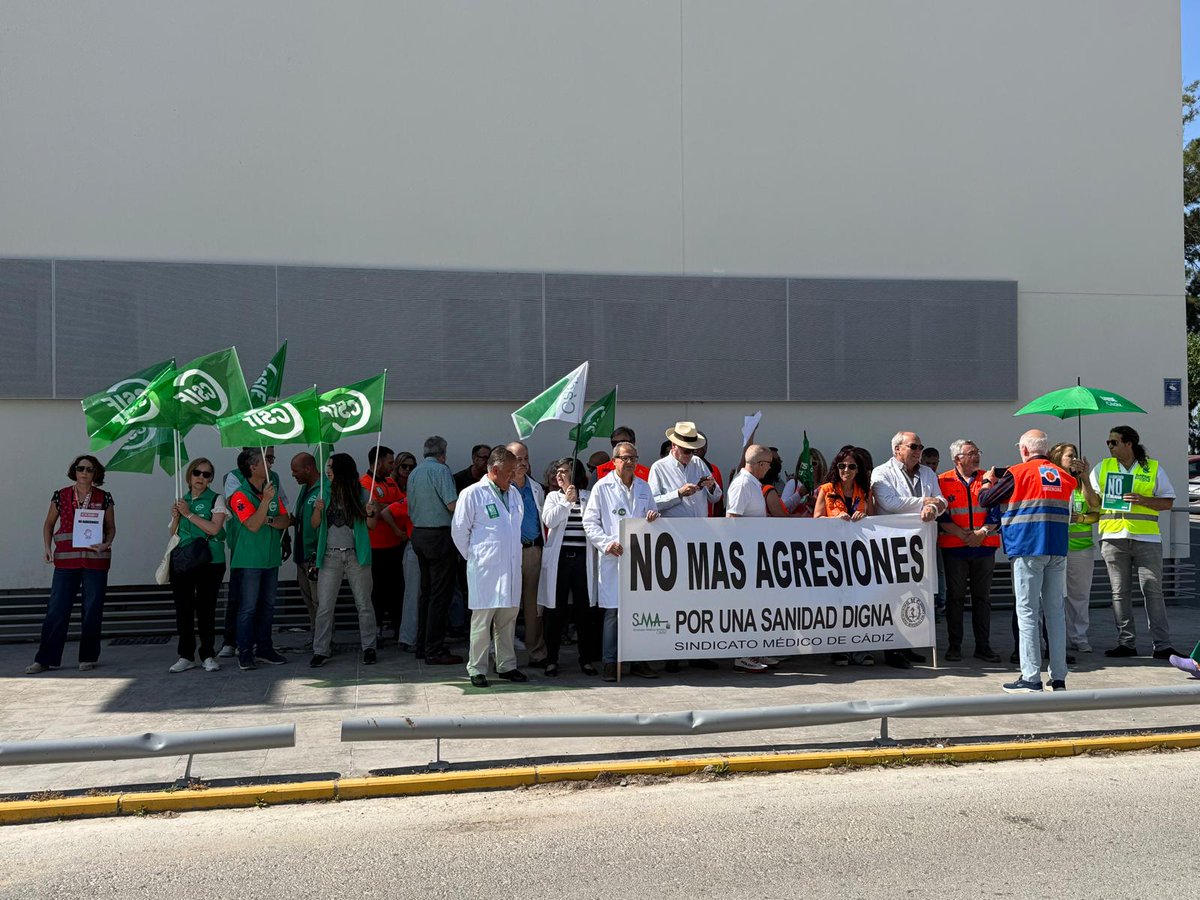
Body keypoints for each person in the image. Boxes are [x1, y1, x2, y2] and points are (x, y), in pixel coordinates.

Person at [979, 428, 1074, 693]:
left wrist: (988, 480)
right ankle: (1059, 677)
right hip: (1058, 548)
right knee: (1055, 613)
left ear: (1023, 450)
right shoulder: (1063, 475)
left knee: (1028, 613)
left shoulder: (1017, 472)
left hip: (1028, 546)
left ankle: (1031, 677)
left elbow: (986, 499)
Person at [1091, 425, 1178, 659]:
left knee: (1153, 591)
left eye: (1114, 442)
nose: (1109, 446)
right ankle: (1126, 643)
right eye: (1108, 442)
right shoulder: (1102, 467)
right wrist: (1082, 478)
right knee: (1119, 593)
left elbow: (1167, 502)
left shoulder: (1152, 467)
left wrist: (1144, 500)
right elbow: (1092, 502)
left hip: (1146, 538)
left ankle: (1162, 645)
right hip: (1113, 537)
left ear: (1129, 444)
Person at [27, 455, 116, 674]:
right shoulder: (61, 495)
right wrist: (47, 549)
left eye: (90, 469)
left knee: (92, 610)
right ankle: (45, 659)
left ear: (96, 473)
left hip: (95, 561)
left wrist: (107, 543)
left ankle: (88, 656)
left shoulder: (104, 497)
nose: (84, 472)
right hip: (66, 561)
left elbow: (111, 527)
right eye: (80, 468)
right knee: (56, 610)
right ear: (74, 471)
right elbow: (49, 525)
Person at [582, 440, 661, 681]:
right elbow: (590, 522)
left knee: (639, 611)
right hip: (613, 558)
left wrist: (652, 516)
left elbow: (654, 516)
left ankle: (638, 660)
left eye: (633, 458)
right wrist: (606, 543)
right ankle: (609, 662)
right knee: (614, 613)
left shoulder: (645, 488)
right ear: (614, 461)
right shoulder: (602, 488)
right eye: (625, 458)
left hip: (639, 560)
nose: (629, 462)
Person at [648, 422, 723, 673]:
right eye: (687, 450)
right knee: (674, 597)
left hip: (699, 536)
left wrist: (711, 486)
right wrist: (678, 493)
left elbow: (716, 497)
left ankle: (697, 651)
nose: (691, 454)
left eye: (693, 450)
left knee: (699, 597)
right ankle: (672, 652)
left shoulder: (699, 464)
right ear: (674, 447)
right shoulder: (659, 468)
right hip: (674, 538)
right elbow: (652, 503)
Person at [452, 446, 527, 687]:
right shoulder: (472, 494)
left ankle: (506, 665)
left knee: (507, 620)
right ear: (494, 470)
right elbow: (459, 532)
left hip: (511, 566)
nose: (513, 477)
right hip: (485, 569)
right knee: (482, 621)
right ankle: (476, 668)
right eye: (509, 472)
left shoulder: (514, 494)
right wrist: (475, 557)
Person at [870, 431, 946, 669]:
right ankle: (892, 650)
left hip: (920, 545)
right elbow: (890, 503)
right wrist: (926, 502)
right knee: (892, 597)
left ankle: (907, 645)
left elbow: (942, 500)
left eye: (920, 447)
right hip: (891, 544)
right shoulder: (881, 472)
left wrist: (934, 509)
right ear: (897, 449)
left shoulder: (927, 472)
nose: (918, 451)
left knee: (914, 595)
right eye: (913, 446)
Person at [309, 453, 379, 667]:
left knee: (364, 604)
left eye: (330, 466)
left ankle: (369, 647)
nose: (327, 470)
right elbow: (314, 525)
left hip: (356, 555)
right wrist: (318, 511)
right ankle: (320, 650)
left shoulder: (362, 494)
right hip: (330, 556)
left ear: (342, 470)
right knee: (324, 606)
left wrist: (371, 513)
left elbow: (372, 526)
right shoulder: (324, 493)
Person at [936, 440, 1002, 664]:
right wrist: (963, 534)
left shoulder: (988, 478)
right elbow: (941, 515)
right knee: (955, 598)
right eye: (971, 453)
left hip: (984, 547)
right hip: (955, 548)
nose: (976, 457)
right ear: (957, 459)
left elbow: (996, 511)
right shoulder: (942, 481)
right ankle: (954, 646)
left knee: (982, 598)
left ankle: (983, 646)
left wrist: (982, 532)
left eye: (977, 452)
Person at [227, 448, 293, 671]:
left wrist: (270, 519)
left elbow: (286, 520)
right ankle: (244, 652)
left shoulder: (270, 489)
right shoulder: (239, 495)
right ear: (252, 467)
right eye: (265, 461)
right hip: (249, 560)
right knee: (247, 608)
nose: (270, 464)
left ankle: (264, 648)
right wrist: (265, 502)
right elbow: (253, 525)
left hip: (271, 558)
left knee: (267, 606)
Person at [814, 446, 876, 667]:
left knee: (862, 603)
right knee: (838, 603)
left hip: (860, 555)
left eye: (851, 466)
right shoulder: (827, 489)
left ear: (858, 469)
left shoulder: (866, 491)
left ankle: (861, 649)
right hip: (834, 555)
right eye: (842, 466)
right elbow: (817, 518)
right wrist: (835, 518)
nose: (846, 470)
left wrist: (864, 516)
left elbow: (876, 522)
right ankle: (839, 650)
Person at [540, 458, 602, 676]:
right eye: (558, 471)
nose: (559, 475)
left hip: (583, 561)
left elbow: (595, 524)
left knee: (584, 611)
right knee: (555, 611)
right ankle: (552, 659)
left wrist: (576, 499)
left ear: (575, 475)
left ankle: (586, 659)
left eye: (564, 471)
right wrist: (566, 502)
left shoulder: (588, 497)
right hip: (561, 561)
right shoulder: (553, 497)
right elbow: (549, 521)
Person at [167, 458, 227, 673]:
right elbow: (173, 533)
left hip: (209, 560)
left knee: (206, 608)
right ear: (190, 475)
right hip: (183, 560)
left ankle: (208, 654)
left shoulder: (216, 499)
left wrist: (189, 514)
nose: (201, 477)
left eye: (206, 474)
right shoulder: (181, 499)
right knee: (183, 609)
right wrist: (176, 517)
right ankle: (185, 655)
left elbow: (213, 528)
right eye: (197, 473)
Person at [723, 445, 778, 674]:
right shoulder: (744, 484)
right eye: (768, 464)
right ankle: (743, 655)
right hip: (745, 556)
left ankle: (755, 649)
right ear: (759, 465)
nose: (769, 469)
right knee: (748, 606)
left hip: (755, 553)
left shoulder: (751, 483)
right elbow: (731, 519)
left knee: (759, 605)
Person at [407, 435, 461, 665]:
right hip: (439, 535)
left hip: (418, 534)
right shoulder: (441, 470)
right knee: (440, 594)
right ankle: (435, 649)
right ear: (443, 453)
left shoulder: (414, 472)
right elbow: (452, 505)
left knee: (426, 593)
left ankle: (423, 645)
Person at [1049, 442, 1101, 653]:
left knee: (1079, 595)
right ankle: (1056, 636)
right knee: (1055, 595)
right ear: (1058, 459)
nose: (1074, 459)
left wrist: (1085, 477)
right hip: (1056, 547)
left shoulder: (1081, 485)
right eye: (1070, 456)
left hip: (1081, 549)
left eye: (1076, 455)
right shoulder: (1053, 482)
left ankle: (1078, 637)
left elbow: (1096, 509)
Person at [507, 440, 547, 667]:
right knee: (508, 606)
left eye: (525, 458)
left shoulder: (536, 488)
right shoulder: (500, 488)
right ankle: (504, 655)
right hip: (509, 553)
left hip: (532, 551)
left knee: (534, 607)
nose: (522, 463)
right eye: (517, 459)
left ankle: (537, 653)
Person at [361, 446, 404, 642]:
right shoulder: (364, 483)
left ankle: (398, 628)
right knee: (376, 592)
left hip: (395, 545)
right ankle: (375, 630)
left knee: (397, 590)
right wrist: (389, 508)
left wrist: (385, 507)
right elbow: (374, 513)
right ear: (377, 463)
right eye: (389, 462)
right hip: (374, 548)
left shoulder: (391, 482)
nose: (392, 466)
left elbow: (403, 505)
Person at [289, 452, 322, 642]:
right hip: (300, 556)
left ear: (308, 468)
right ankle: (315, 635)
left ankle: (323, 639)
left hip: (314, 556)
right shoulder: (305, 489)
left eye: (296, 471)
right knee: (309, 600)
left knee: (320, 601)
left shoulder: (323, 489)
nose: (293, 475)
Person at [390, 451, 420, 652]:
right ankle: (404, 636)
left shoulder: (415, 487)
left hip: (412, 544)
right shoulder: (391, 486)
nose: (407, 470)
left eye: (411, 467)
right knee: (404, 593)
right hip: (391, 545)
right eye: (404, 466)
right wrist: (397, 531)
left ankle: (409, 635)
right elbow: (384, 510)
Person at [782, 447, 828, 516]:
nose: (810, 467)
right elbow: (781, 509)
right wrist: (799, 494)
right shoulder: (793, 483)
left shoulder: (827, 486)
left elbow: (833, 512)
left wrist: (817, 504)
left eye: (813, 463)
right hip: (795, 525)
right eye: (806, 464)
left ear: (821, 465)